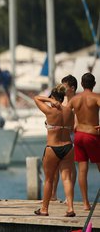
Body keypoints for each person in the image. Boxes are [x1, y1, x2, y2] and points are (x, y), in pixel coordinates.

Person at [33, 84, 76, 217]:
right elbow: (72, 127)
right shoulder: (69, 111)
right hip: (68, 147)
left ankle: (44, 209)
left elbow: (36, 98)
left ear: (53, 97)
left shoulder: (50, 111)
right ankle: (70, 208)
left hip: (53, 147)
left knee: (49, 180)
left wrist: (50, 101)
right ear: (63, 98)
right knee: (67, 178)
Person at [69, 72, 100, 211]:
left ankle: (86, 204)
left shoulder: (75, 99)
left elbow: (65, 112)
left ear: (81, 84)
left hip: (79, 136)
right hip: (92, 135)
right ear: (94, 84)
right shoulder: (96, 97)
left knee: (82, 170)